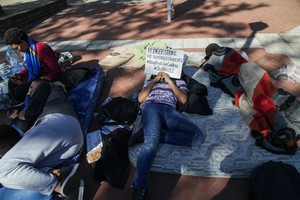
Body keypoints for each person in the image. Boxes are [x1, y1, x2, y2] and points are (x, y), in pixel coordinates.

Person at [201, 43, 300, 154]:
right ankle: (285, 133)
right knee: (261, 99)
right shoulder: (238, 59)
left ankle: (285, 132)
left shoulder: (223, 60)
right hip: (282, 99)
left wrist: (207, 62)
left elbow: (211, 63)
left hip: (274, 99)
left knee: (259, 101)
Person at [0, 79, 83, 197]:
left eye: (31, 87)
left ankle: (58, 185)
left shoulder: (45, 85)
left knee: (3, 171)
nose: (29, 91)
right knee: (25, 167)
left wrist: (23, 115)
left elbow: (32, 112)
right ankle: (58, 174)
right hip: (68, 140)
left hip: (59, 124)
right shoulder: (51, 96)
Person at [131, 72, 204, 200]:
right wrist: (155, 81)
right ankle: (139, 189)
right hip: (151, 107)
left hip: (170, 111)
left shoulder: (179, 81)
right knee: (151, 142)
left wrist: (170, 81)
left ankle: (150, 133)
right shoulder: (150, 80)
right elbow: (141, 99)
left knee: (198, 137)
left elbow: (183, 99)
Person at [4, 27, 61, 104]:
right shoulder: (28, 51)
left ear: (22, 42)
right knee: (12, 81)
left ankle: (23, 103)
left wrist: (49, 78)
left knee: (19, 91)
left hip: (44, 77)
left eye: (17, 48)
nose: (17, 50)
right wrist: (20, 74)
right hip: (35, 75)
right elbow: (30, 68)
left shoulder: (41, 48)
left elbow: (56, 68)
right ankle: (19, 102)